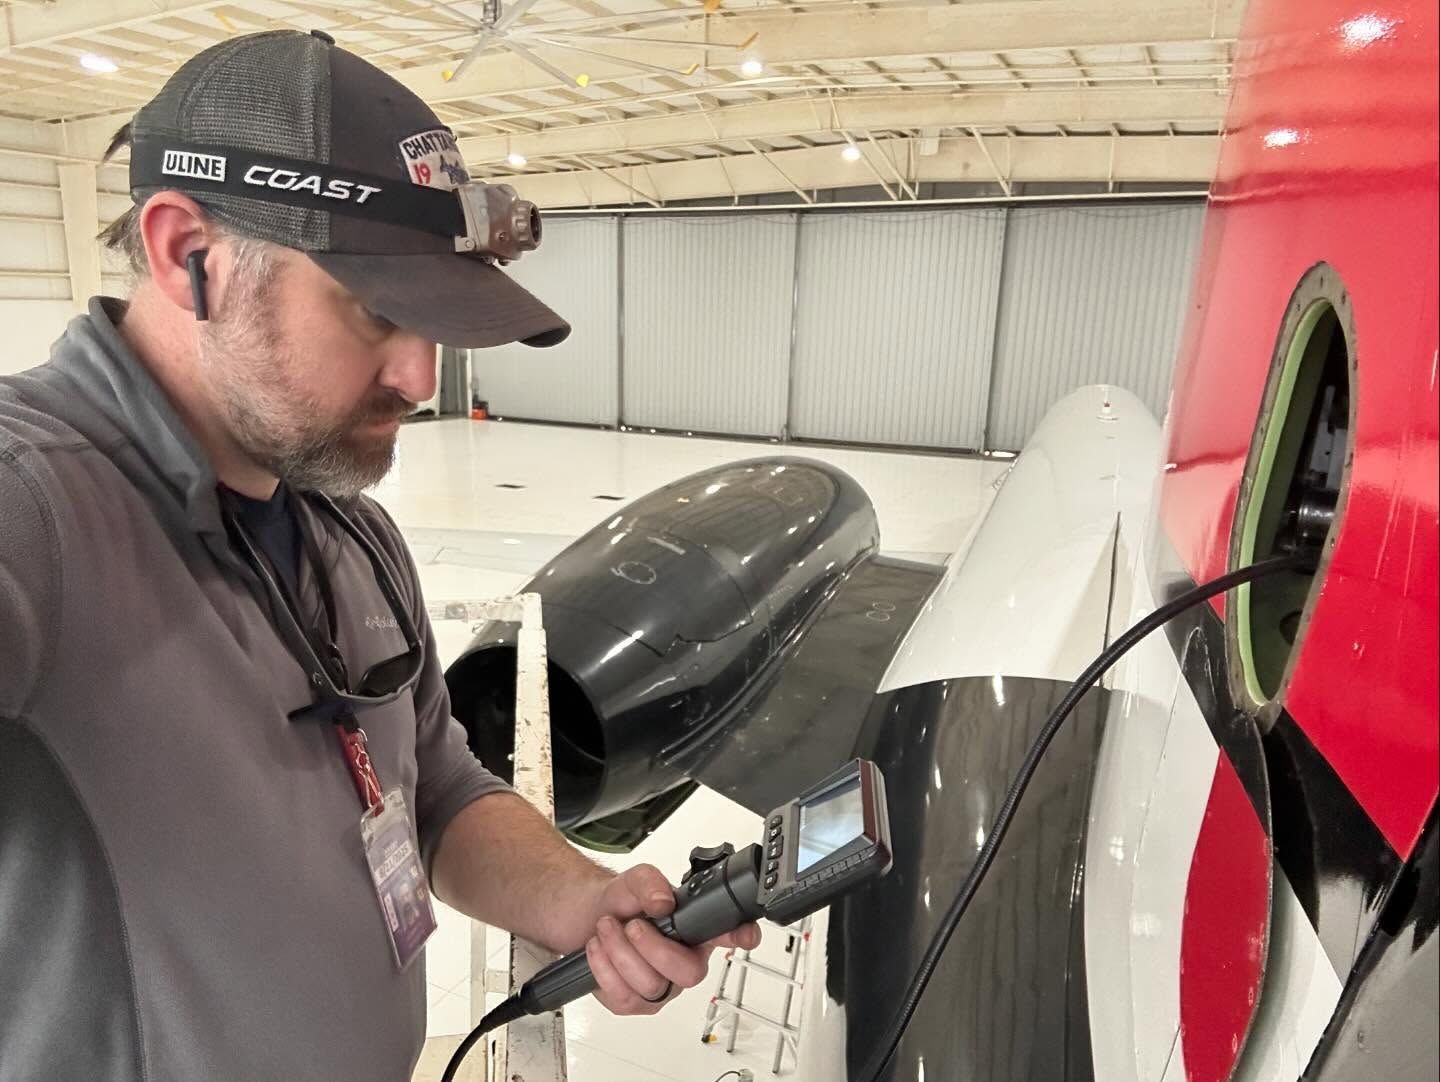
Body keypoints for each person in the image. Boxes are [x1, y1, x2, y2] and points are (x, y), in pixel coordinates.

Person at [0, 29, 758, 1081]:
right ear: (188, 254)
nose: (420, 371)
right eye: (374, 311)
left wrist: (580, 895)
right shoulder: (36, 507)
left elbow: (436, 787)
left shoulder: (344, 521)